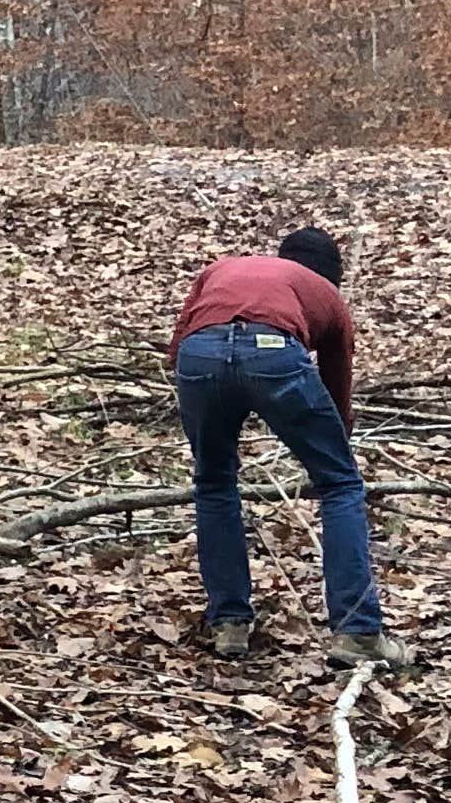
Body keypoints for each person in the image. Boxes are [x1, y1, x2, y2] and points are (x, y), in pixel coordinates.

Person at [165, 225, 387, 658]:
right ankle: (357, 631)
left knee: (214, 483)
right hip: (273, 349)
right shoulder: (327, 294)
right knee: (340, 484)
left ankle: (229, 623)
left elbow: (177, 348)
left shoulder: (223, 268)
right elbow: (336, 385)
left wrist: (217, 391)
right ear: (332, 274)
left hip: (200, 353)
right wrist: (334, 443)